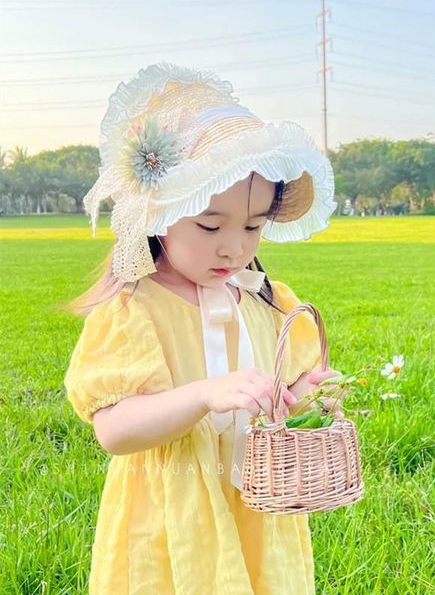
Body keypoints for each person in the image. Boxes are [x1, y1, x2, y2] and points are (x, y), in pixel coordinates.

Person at [62, 62, 344, 594]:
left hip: (258, 505)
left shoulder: (265, 300)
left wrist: (304, 394)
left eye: (253, 226)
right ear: (160, 213)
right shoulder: (136, 311)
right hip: (173, 512)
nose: (233, 246)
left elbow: (271, 398)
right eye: (210, 224)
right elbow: (115, 431)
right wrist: (204, 395)